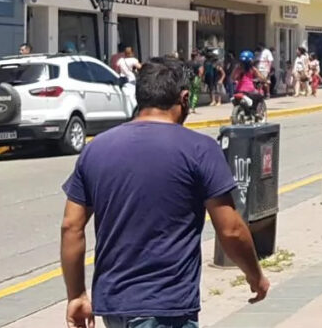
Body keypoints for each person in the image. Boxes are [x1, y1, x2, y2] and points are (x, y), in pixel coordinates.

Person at [61, 61, 269, 328]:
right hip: (166, 307)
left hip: (114, 306)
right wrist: (255, 275)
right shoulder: (200, 149)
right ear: (184, 98)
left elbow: (71, 227)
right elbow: (230, 230)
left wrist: (76, 294)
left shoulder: (96, 149)